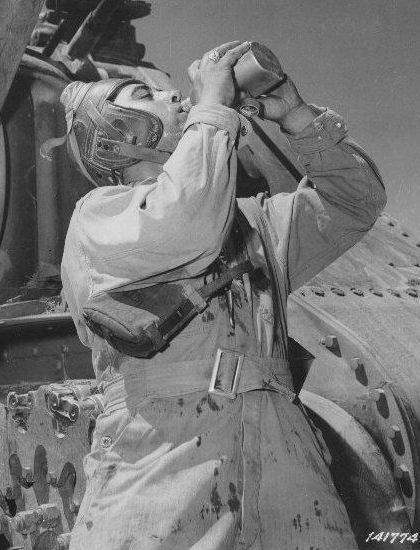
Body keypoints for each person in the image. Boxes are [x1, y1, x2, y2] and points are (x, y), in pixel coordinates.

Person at [60, 40, 387, 550]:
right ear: (116, 133)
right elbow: (184, 226)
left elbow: (356, 202)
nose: (173, 95)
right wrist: (212, 109)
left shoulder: (253, 225)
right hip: (162, 460)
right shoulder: (100, 216)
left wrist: (296, 117)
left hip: (288, 458)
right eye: (146, 93)